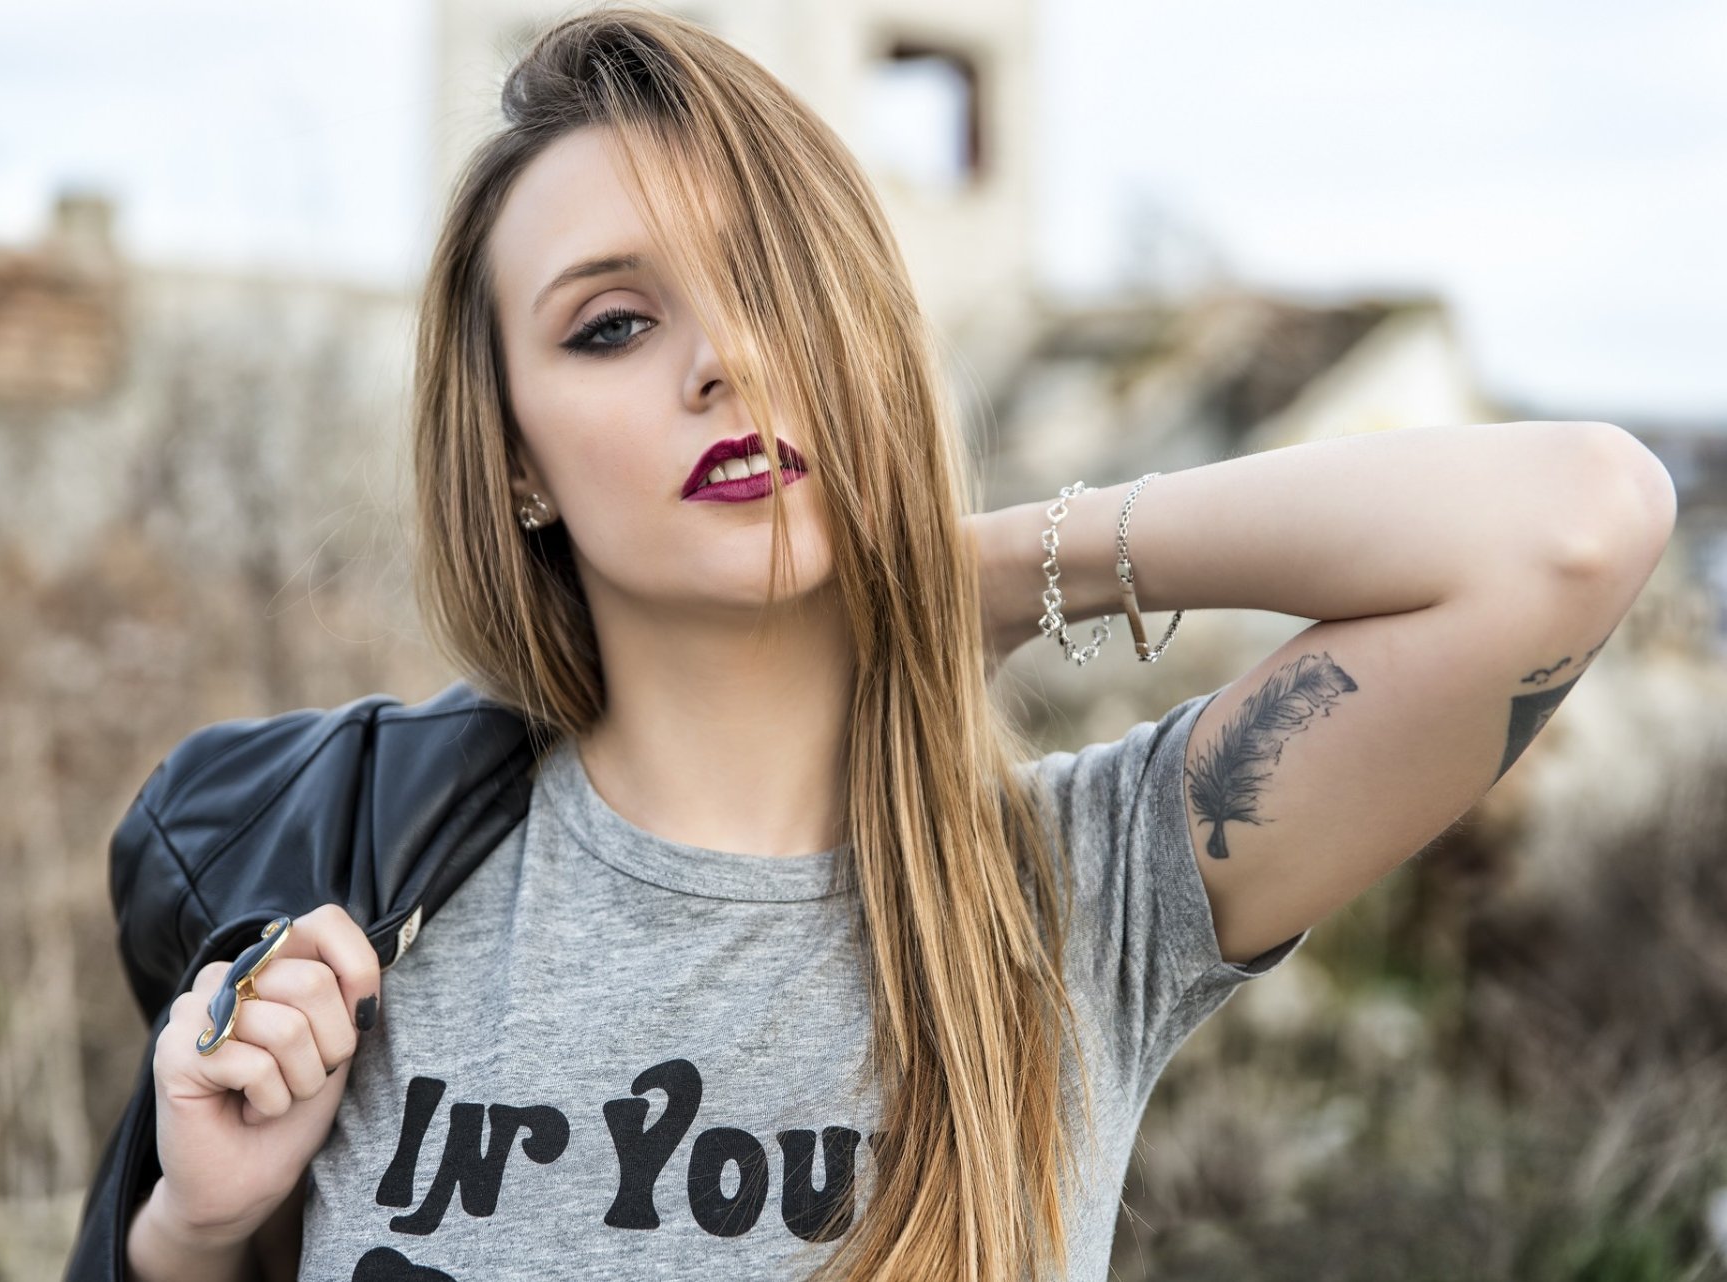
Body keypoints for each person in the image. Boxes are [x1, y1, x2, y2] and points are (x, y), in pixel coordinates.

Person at [124, 5, 1678, 1281]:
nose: (726, 358)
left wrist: (976, 569)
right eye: (613, 324)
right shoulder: (373, 898)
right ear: (517, 462)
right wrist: (195, 1231)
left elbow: (1581, 520)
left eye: (775, 285)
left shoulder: (1081, 891)